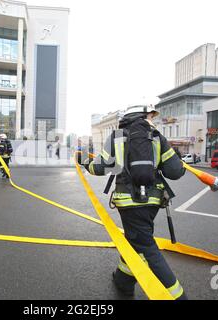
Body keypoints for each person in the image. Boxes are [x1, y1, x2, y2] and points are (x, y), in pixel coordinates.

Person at [79, 105, 187, 300]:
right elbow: (175, 172)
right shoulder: (156, 136)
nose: (152, 120)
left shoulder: (117, 136)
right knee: (136, 239)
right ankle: (123, 280)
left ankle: (176, 296)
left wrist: (85, 162)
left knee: (145, 246)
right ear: (143, 116)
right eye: (150, 116)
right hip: (153, 201)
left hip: (128, 202)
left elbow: (101, 168)